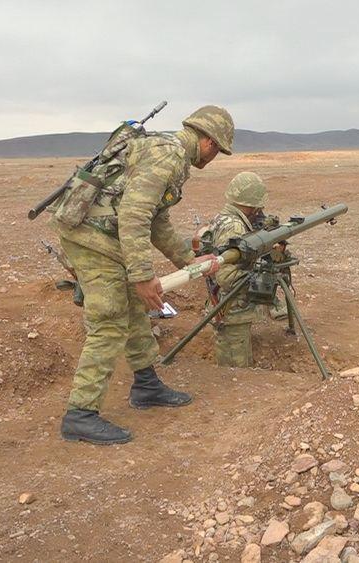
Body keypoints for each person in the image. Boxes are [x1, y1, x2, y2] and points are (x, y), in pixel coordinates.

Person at [55, 105, 233, 445]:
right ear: (208, 141)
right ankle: (80, 414)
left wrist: (188, 259)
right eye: (218, 150)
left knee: (134, 309)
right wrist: (142, 276)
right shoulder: (167, 156)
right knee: (109, 317)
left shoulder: (171, 156)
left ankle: (147, 386)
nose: (214, 157)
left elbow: (156, 221)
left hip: (108, 238)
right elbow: (134, 217)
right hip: (91, 238)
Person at [200, 172, 286, 367]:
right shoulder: (234, 227)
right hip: (232, 310)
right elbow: (226, 276)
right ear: (253, 202)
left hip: (232, 308)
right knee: (235, 372)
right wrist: (264, 274)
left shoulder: (226, 218)